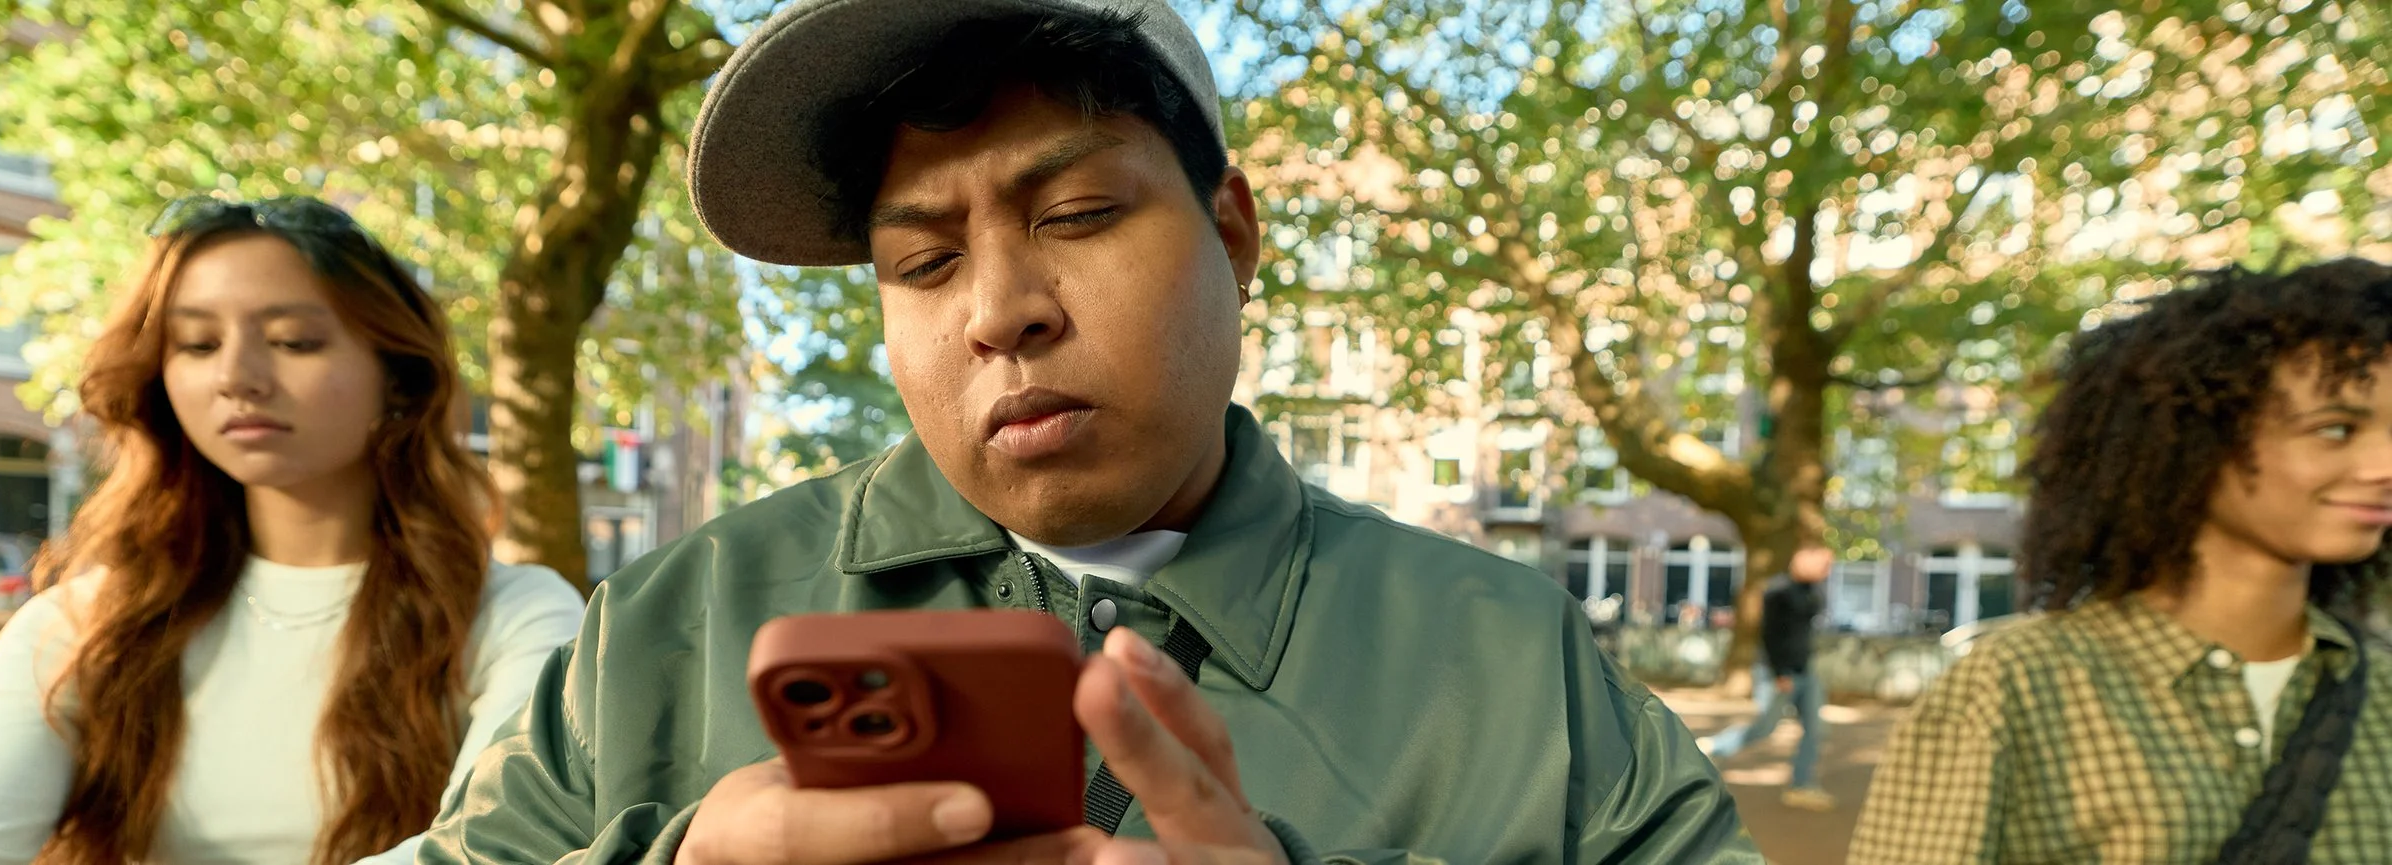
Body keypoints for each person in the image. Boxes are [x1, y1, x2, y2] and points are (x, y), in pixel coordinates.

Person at [421, 1, 1758, 863]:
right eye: (923, 262)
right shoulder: (664, 629)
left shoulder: (1516, 665)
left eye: (1075, 216)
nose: (998, 310)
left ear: (1233, 236)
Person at [0, 196, 586, 865]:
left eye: (293, 341)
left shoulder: (518, 616)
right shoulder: (80, 626)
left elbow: (492, 847)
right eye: (197, 343)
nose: (236, 376)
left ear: (397, 377)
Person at [1849, 259, 2392, 864]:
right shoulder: (2016, 689)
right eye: (2336, 430)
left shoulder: (2382, 693)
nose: (2385, 465)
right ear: (2196, 437)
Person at [1698, 545, 1836, 812]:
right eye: (1822, 564)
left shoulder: (1812, 593)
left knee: (1815, 728)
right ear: (1802, 558)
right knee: (1765, 727)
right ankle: (1712, 747)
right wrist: (1779, 672)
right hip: (1779, 673)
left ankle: (1802, 785)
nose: (1826, 570)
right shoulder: (1778, 591)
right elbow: (1769, 635)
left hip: (1805, 670)